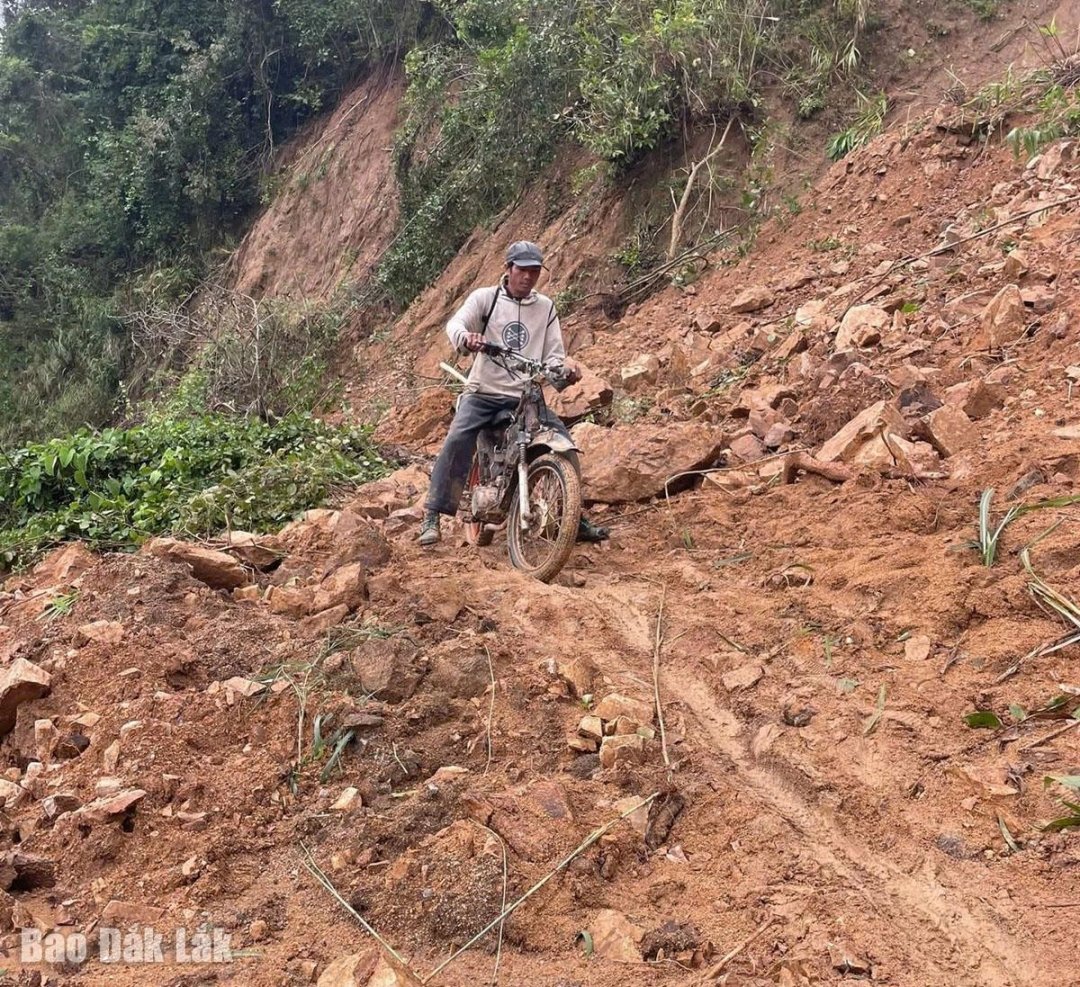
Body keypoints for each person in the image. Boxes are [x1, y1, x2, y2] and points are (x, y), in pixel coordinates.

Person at [419, 240, 610, 547]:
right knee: (457, 439)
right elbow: (455, 324)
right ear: (508, 268)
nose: (528, 277)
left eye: (535, 271)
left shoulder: (545, 308)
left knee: (565, 446)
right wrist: (466, 338)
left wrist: (565, 370)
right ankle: (432, 515)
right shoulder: (486, 298)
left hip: (525, 396)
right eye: (522, 270)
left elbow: (554, 355)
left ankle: (572, 515)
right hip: (483, 392)